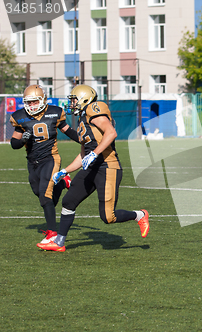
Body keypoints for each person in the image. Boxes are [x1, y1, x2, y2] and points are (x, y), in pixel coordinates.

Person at [36, 84, 149, 252]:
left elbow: (111, 133)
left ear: (85, 99)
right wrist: (65, 171)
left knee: (108, 217)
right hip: (92, 169)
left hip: (107, 167)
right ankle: (59, 242)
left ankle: (140, 215)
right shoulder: (83, 120)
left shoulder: (94, 109)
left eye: (74, 100)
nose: (72, 104)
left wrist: (95, 154)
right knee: (68, 201)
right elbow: (83, 154)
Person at [10, 84, 79, 244]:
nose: (31, 105)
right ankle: (62, 183)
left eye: (34, 102)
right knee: (39, 193)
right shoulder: (19, 116)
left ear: (42, 100)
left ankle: (53, 234)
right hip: (32, 161)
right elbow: (14, 143)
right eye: (28, 102)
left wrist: (86, 141)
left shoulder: (55, 112)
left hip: (50, 158)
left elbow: (68, 131)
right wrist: (23, 139)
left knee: (45, 195)